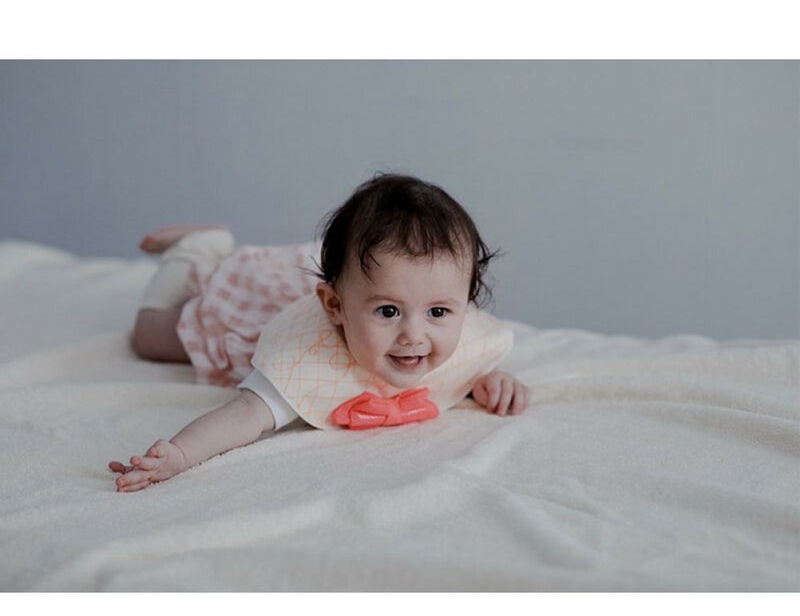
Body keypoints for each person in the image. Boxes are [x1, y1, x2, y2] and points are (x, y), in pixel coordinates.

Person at [109, 173, 530, 492]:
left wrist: (487, 380)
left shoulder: (452, 331)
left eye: (438, 311)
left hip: (334, 281)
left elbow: (464, 365)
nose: (413, 335)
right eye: (388, 311)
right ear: (334, 307)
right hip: (254, 310)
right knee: (148, 337)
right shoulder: (303, 359)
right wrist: (179, 455)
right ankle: (195, 250)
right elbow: (244, 416)